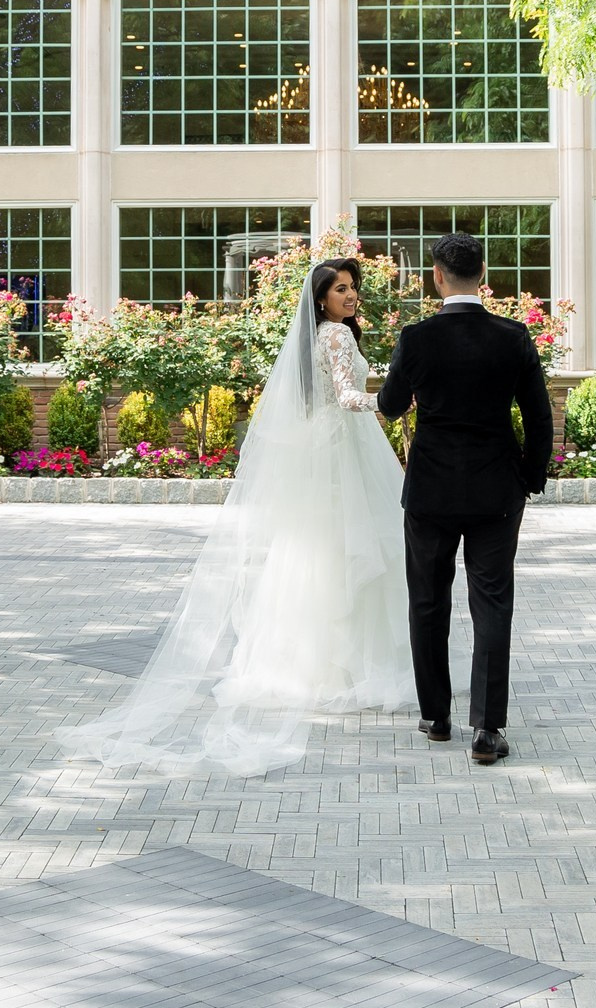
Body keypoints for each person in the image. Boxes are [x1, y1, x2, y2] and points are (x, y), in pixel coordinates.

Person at [59, 258, 415, 775]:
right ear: (321, 299)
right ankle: (353, 668)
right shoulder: (337, 335)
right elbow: (345, 397)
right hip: (343, 452)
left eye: (353, 287)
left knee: (312, 552)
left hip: (325, 450)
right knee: (350, 548)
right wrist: (394, 401)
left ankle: (307, 665)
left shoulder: (316, 337)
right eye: (341, 289)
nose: (351, 295)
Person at [375, 232, 554, 766]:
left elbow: (390, 404)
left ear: (436, 276)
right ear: (483, 274)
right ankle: (487, 729)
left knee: (427, 600)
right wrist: (530, 476)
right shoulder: (513, 336)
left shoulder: (416, 337)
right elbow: (539, 416)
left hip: (430, 489)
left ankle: (436, 716)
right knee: (492, 603)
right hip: (497, 489)